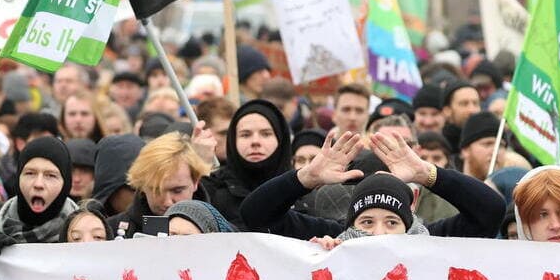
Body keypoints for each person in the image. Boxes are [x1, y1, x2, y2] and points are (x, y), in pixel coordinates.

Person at [239, 130, 503, 240]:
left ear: (408, 222)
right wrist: (305, 178)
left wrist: (426, 173)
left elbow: (490, 211)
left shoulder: (429, 241)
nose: (379, 234)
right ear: (351, 222)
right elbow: (255, 213)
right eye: (366, 222)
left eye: (391, 222)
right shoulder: (332, 241)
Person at [0, 136, 79, 253]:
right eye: (30, 173)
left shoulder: (84, 235)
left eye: (50, 175)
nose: (38, 184)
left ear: (66, 183)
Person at [199, 99, 295, 229]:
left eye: (266, 134)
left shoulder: (301, 190)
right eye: (245, 135)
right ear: (233, 140)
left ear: (280, 138)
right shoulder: (213, 189)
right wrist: (199, 164)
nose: (255, 141)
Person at [115, 133, 212, 238]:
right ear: (142, 186)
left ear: (195, 182)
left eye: (177, 190)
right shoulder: (110, 232)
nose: (167, 202)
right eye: (157, 191)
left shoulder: (225, 233)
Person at [91, 134, 143, 236]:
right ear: (110, 190)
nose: (143, 195)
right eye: (133, 188)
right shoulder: (82, 226)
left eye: (151, 187)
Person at [440, 82, 481, 153]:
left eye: (475, 103)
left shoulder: (490, 142)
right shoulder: (439, 147)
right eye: (464, 104)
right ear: (447, 110)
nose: (472, 110)